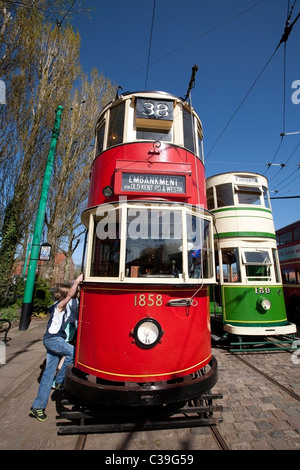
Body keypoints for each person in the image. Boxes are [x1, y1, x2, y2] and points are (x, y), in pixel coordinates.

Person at [29, 273, 83, 421]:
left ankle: (37, 407)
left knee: (47, 375)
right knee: (73, 352)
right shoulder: (59, 306)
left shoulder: (54, 307)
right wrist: (77, 281)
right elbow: (71, 294)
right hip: (54, 339)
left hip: (51, 339)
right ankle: (60, 381)